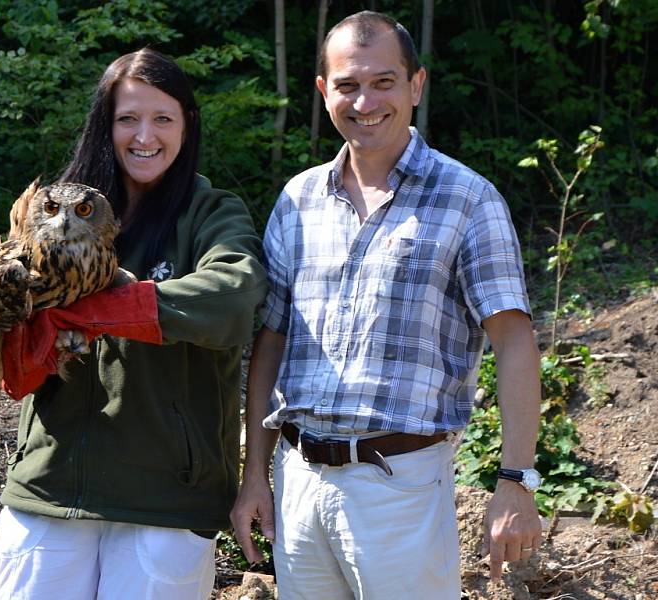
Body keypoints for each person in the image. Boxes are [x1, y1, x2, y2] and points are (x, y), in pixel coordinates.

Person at [230, 11, 542, 598]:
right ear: (324, 92)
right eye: (348, 84)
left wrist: (515, 480)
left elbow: (514, 340)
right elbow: (270, 341)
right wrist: (255, 476)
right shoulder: (298, 200)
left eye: (384, 82)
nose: (365, 101)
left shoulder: (467, 199)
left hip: (400, 486)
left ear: (416, 85)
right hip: (298, 480)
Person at [0, 48, 267, 599]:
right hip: (51, 486)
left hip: (164, 497)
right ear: (104, 126)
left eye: (163, 118)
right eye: (127, 118)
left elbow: (236, 295)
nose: (145, 135)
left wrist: (105, 306)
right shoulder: (54, 211)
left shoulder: (211, 213)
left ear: (187, 124)